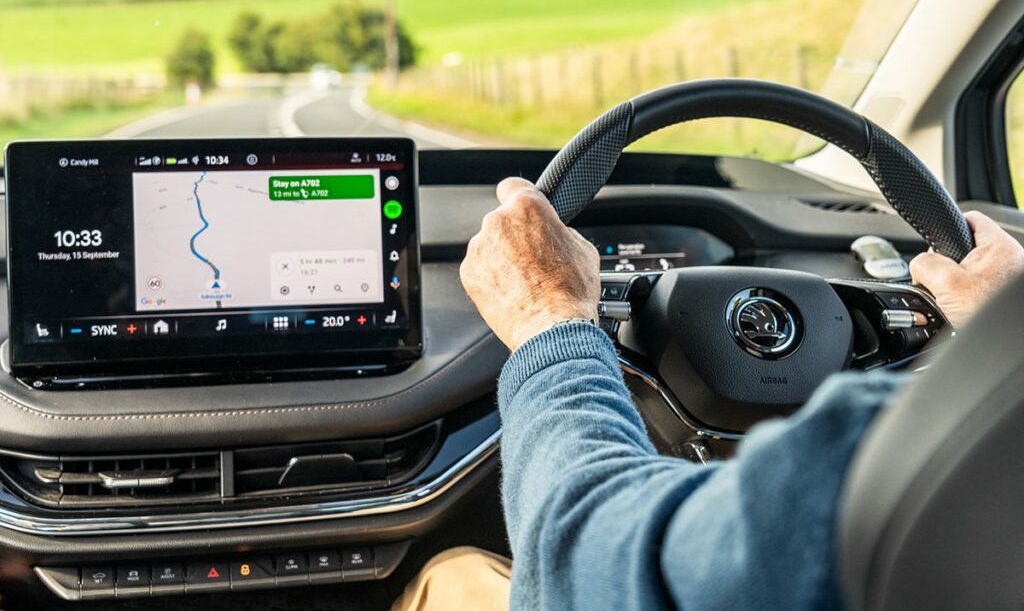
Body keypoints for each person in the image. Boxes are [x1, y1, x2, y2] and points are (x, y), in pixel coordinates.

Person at [392, 177, 1024, 611]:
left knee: (451, 576)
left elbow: (588, 558)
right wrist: (1003, 334)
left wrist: (548, 319)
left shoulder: (863, 464)